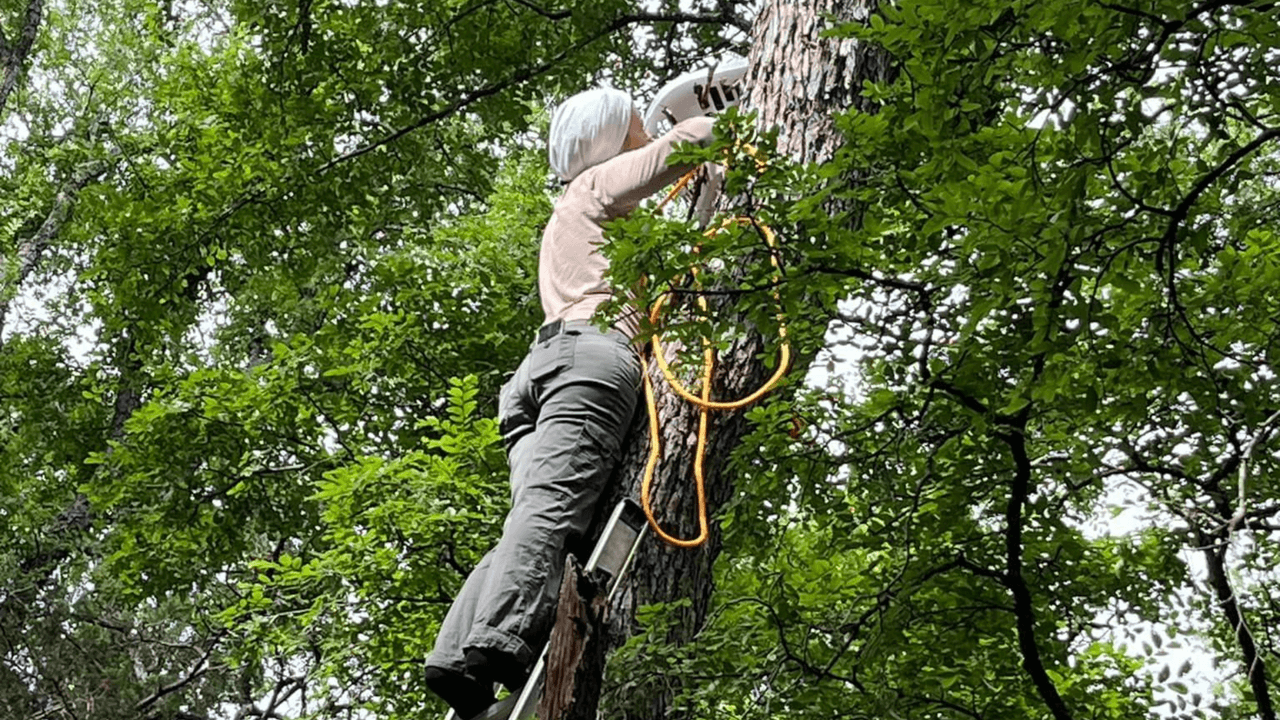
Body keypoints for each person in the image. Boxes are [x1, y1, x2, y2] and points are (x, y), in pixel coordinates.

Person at [423, 87, 717, 720]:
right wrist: (724, 110)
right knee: (552, 511)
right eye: (637, 122)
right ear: (610, 135)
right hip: (588, 360)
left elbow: (681, 254)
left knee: (533, 515)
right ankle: (497, 643)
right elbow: (692, 142)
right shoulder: (592, 188)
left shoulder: (582, 223)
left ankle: (458, 656)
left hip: (542, 373)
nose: (646, 129)